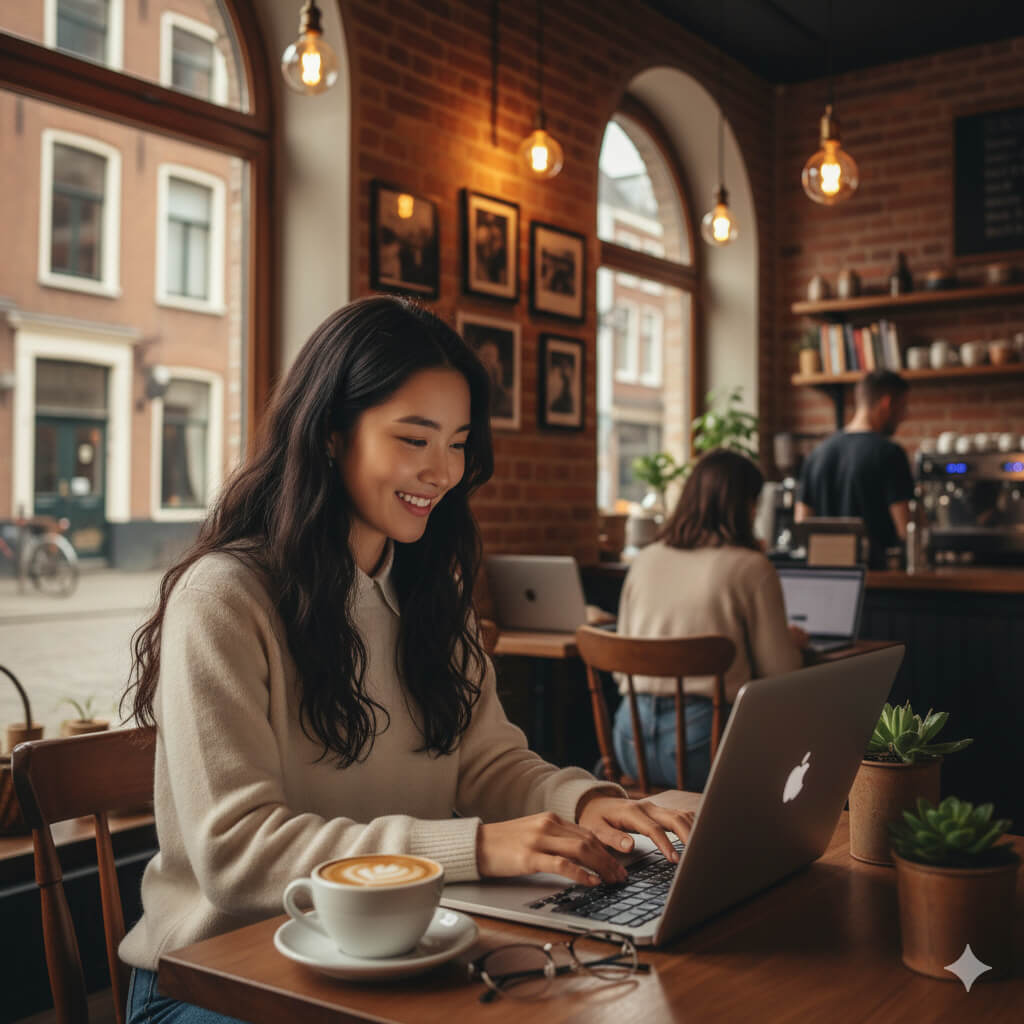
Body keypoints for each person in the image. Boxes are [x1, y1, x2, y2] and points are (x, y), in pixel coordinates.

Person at [118, 296, 691, 1024]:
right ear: (331, 432)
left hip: (390, 951)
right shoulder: (227, 597)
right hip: (221, 977)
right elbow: (238, 854)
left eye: (456, 442)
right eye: (414, 439)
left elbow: (485, 763)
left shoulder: (429, 590)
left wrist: (585, 803)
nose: (442, 471)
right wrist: (476, 847)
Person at [613, 449, 805, 792]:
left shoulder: (644, 559)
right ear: (745, 506)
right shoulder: (750, 567)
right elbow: (782, 674)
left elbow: (619, 667)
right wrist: (791, 642)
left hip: (629, 741)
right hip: (702, 748)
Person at [795, 370, 914, 567]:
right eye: (903, 407)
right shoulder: (890, 453)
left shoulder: (817, 454)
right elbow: (905, 529)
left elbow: (802, 525)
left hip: (826, 576)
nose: (905, 415)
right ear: (887, 403)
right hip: (877, 579)